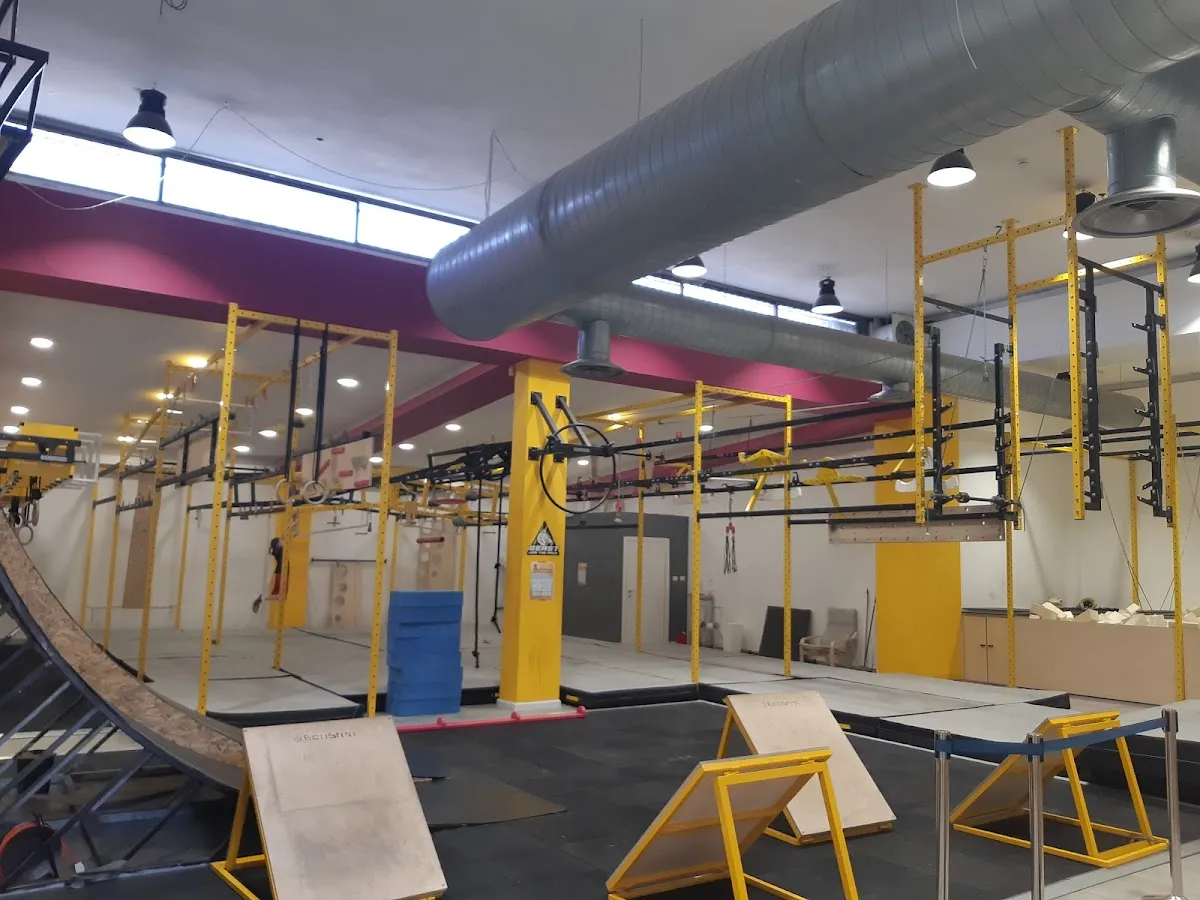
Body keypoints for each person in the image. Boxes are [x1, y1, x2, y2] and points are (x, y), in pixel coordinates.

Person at [251, 537, 285, 614]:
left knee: (280, 596)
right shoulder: (280, 550)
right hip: (281, 573)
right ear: (277, 545)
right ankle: (261, 598)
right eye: (280, 541)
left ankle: (261, 598)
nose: (282, 542)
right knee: (281, 596)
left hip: (280, 572)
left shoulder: (277, 550)